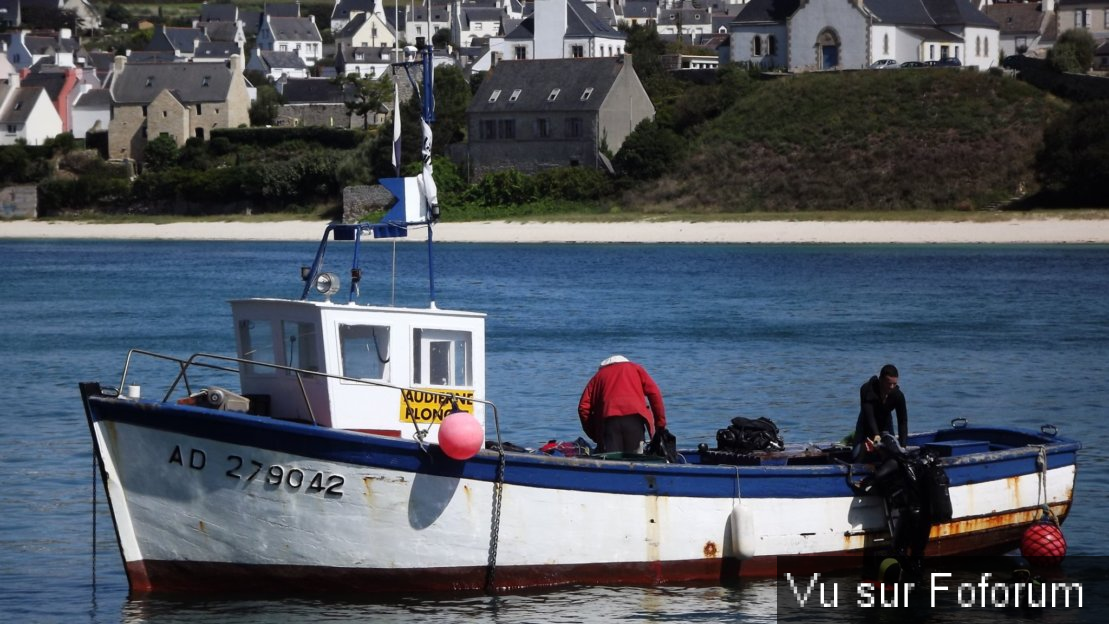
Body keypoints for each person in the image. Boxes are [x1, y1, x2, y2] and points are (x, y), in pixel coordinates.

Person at [578, 355, 666, 454]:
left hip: (609, 422)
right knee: (636, 459)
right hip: (635, 420)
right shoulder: (636, 369)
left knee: (613, 461)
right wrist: (660, 424)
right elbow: (655, 394)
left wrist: (594, 434)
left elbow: (583, 407)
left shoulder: (598, 376)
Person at [852, 364, 908, 460]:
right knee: (856, 455)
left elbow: (902, 421)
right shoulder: (866, 389)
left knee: (893, 453)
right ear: (881, 380)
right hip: (866, 421)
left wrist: (903, 446)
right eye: (888, 383)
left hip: (885, 421)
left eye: (894, 384)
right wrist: (876, 435)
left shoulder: (898, 396)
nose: (891, 387)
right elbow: (869, 415)